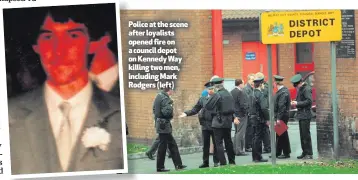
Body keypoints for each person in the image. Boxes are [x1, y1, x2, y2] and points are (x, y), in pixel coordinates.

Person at [6, 4, 124, 174]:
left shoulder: (120, 113)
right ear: (36, 46)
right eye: (48, 37)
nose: (59, 50)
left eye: (73, 36)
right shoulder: (9, 115)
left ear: (91, 43)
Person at [179, 82, 219, 168]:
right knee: (205, 145)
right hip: (205, 124)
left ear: (214, 89)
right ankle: (205, 162)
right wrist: (186, 113)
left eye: (212, 89)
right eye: (209, 89)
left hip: (214, 124)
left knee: (216, 144)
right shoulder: (202, 99)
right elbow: (195, 109)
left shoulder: (217, 98)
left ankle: (216, 161)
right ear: (206, 89)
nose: (210, 90)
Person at [153, 87, 186, 172]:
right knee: (163, 146)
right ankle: (160, 167)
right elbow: (166, 112)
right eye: (172, 90)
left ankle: (178, 165)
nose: (173, 92)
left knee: (171, 144)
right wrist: (171, 106)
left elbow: (154, 109)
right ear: (169, 90)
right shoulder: (166, 99)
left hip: (160, 124)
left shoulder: (158, 96)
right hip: (164, 125)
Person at [204, 78, 236, 166]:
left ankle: (223, 162)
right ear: (222, 83)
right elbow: (233, 108)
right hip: (228, 121)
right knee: (228, 141)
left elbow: (207, 106)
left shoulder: (216, 95)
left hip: (218, 121)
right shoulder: (229, 94)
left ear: (214, 86)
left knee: (218, 143)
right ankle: (232, 161)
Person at [290, 74, 313, 160]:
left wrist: (297, 103)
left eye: (296, 85)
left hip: (305, 115)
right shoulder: (301, 89)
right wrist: (296, 102)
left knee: (306, 135)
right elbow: (301, 100)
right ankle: (305, 152)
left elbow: (309, 101)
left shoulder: (306, 89)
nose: (296, 87)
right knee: (302, 136)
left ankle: (309, 153)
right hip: (301, 114)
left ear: (300, 82)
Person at [249, 76, 269, 163]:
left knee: (255, 137)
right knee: (258, 138)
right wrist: (267, 119)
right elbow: (264, 108)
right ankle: (258, 157)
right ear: (261, 84)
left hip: (253, 117)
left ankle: (255, 156)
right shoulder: (260, 94)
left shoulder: (252, 93)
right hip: (259, 118)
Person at [272, 75, 291, 159]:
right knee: (280, 134)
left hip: (282, 117)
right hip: (281, 116)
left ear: (276, 83)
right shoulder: (282, 91)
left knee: (282, 134)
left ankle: (286, 153)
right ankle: (278, 152)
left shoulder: (283, 92)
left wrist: (278, 118)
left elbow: (281, 106)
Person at [230, 79, 249, 156]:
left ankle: (235, 149)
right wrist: (246, 113)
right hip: (241, 115)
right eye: (243, 83)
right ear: (240, 84)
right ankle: (238, 150)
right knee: (240, 133)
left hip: (235, 115)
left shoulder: (231, 92)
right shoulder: (240, 92)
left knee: (237, 132)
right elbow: (242, 105)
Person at [255, 72, 271, 153]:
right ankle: (269, 147)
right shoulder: (265, 87)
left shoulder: (265, 87)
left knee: (267, 130)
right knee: (266, 130)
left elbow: (264, 98)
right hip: (267, 110)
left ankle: (269, 147)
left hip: (268, 110)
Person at [243, 73, 255, 152]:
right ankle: (248, 146)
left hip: (251, 112)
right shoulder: (247, 89)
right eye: (251, 80)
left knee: (251, 130)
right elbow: (248, 102)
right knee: (249, 130)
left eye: (254, 80)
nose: (253, 82)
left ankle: (250, 145)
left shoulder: (251, 88)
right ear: (248, 80)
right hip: (249, 113)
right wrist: (249, 112)